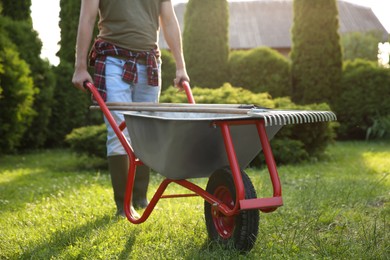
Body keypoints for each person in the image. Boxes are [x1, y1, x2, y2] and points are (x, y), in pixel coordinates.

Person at [72, 0, 189, 217]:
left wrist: (181, 66)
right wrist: (80, 66)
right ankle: (123, 206)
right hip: (112, 60)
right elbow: (87, 18)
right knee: (119, 131)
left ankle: (140, 199)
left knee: (144, 132)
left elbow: (170, 21)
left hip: (149, 62)